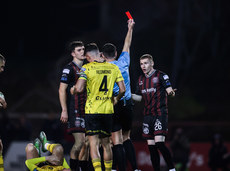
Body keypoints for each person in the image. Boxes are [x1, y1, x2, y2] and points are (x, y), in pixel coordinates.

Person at [71, 43, 126, 171]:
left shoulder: (87, 68)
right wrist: (116, 99)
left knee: (94, 144)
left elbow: (79, 88)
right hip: (107, 110)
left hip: (92, 111)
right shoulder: (113, 68)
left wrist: (73, 89)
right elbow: (122, 89)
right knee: (107, 145)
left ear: (89, 56)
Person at [102, 19, 138, 171]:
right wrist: (130, 28)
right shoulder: (123, 62)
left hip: (113, 104)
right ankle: (135, 168)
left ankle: (119, 169)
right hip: (128, 104)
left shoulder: (101, 69)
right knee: (127, 138)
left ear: (103, 55)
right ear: (116, 53)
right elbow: (127, 44)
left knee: (116, 140)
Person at [132, 54, 176, 171]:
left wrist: (171, 92)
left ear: (152, 63)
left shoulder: (161, 75)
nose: (143, 66)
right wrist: (127, 95)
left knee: (159, 144)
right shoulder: (141, 80)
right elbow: (139, 98)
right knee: (151, 147)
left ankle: (171, 168)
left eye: (146, 63)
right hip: (147, 116)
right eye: (141, 64)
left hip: (159, 113)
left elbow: (170, 90)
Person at [59, 41, 89, 171]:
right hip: (74, 110)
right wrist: (64, 110)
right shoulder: (69, 69)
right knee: (80, 143)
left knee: (87, 144)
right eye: (79, 50)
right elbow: (61, 90)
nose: (82, 52)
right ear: (72, 53)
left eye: (83, 49)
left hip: (88, 110)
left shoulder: (88, 67)